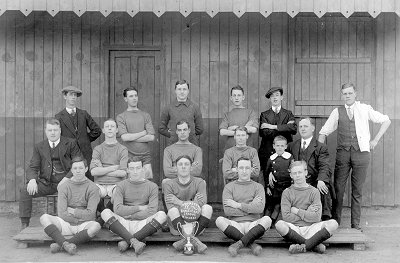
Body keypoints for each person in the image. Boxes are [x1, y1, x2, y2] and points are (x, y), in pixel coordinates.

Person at [319, 83, 391, 230]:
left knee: (357, 190)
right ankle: (335, 224)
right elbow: (324, 131)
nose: (347, 96)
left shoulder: (364, 109)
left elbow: (386, 120)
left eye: (350, 93)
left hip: (362, 154)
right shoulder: (337, 111)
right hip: (343, 155)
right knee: (338, 189)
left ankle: (355, 226)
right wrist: (319, 150)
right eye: (345, 94)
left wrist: (375, 140)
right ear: (342, 95)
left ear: (355, 94)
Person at [19, 119, 81, 230]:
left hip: (67, 183)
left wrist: (67, 178)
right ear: (45, 131)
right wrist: (32, 180)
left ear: (60, 131)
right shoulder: (39, 146)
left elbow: (79, 163)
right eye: (50, 130)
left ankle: (73, 224)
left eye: (55, 130)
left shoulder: (71, 143)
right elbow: (33, 166)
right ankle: (24, 224)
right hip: (47, 183)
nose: (53, 132)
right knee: (24, 190)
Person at [100, 158, 167, 255]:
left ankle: (128, 241)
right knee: (105, 212)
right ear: (127, 170)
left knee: (161, 215)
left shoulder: (152, 186)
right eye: (132, 168)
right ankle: (135, 241)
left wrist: (132, 216)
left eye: (138, 168)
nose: (135, 171)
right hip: (123, 224)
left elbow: (152, 211)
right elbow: (118, 209)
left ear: (143, 169)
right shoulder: (121, 185)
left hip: (143, 225)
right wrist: (139, 208)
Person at [39, 156, 101, 255]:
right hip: (66, 223)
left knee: (96, 226)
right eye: (75, 168)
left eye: (81, 168)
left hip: (84, 225)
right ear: (71, 170)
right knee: (44, 218)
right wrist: (77, 218)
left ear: (86, 169)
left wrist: (73, 211)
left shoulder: (93, 188)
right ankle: (66, 244)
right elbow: (62, 213)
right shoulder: (64, 187)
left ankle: (62, 244)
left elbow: (91, 214)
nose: (78, 171)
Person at [275, 161, 338, 254]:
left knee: (333, 224)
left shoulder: (314, 191)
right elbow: (286, 217)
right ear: (291, 175)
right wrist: (307, 213)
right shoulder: (287, 192)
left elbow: (316, 217)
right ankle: (313, 245)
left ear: (306, 173)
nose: (297, 175)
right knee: (279, 225)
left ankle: (303, 246)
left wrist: (297, 211)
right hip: (295, 229)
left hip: (312, 228)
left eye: (300, 172)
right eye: (294, 173)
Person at [216, 157, 271, 257]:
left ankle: (238, 244)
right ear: (236, 169)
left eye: (247, 168)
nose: (244, 171)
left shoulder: (258, 187)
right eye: (241, 168)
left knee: (267, 219)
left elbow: (260, 209)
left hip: (253, 224)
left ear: (251, 170)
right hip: (236, 225)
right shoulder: (229, 187)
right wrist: (251, 207)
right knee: (219, 220)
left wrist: (238, 205)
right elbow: (228, 211)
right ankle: (251, 245)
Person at [163, 155, 213, 254]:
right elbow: (171, 207)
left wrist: (179, 202)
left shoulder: (199, 182)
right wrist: (193, 202)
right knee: (173, 211)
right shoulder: (168, 184)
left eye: (186, 164)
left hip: (196, 224)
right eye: (180, 164)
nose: (183, 167)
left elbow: (202, 203)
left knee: (208, 208)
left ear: (191, 167)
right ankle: (194, 240)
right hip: (177, 225)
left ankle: (186, 240)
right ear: (175, 168)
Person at [287, 117, 333, 220]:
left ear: (312, 128)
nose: (303, 129)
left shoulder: (320, 147)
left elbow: (324, 166)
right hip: (297, 181)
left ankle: (325, 218)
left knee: (323, 187)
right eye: (301, 126)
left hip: (314, 181)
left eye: (306, 126)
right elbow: (285, 162)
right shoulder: (292, 146)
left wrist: (321, 180)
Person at [55, 86, 102, 181]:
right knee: (70, 180)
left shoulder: (83, 114)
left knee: (88, 179)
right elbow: (57, 138)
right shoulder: (59, 116)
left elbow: (97, 130)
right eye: (71, 95)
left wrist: (85, 139)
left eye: (75, 95)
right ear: (65, 97)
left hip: (85, 153)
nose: (73, 97)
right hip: (69, 155)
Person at [258, 87, 297, 185]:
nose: (275, 98)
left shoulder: (288, 114)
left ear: (281, 97)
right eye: (272, 96)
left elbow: (293, 129)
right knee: (268, 184)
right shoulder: (264, 115)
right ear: (270, 99)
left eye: (277, 95)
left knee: (285, 182)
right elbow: (264, 133)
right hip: (267, 153)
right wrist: (284, 128)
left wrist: (272, 126)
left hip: (285, 153)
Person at [116, 87, 155, 179]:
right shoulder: (121, 117)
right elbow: (125, 138)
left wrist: (131, 136)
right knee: (130, 183)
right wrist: (143, 133)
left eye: (135, 96)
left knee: (147, 182)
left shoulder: (145, 115)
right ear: (125, 99)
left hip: (145, 156)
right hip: (129, 156)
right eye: (131, 96)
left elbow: (151, 137)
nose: (134, 98)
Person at [90, 119, 128, 210]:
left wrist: (102, 168)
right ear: (103, 130)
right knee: (91, 192)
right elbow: (93, 172)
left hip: (116, 184)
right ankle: (104, 213)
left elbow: (123, 173)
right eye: (107, 127)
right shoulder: (98, 149)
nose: (110, 129)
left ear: (117, 130)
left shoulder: (122, 149)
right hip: (99, 184)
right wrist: (114, 168)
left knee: (119, 193)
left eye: (112, 126)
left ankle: (107, 213)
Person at [159, 80, 204, 146]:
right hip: (174, 145)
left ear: (188, 91)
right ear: (175, 91)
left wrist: (189, 134)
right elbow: (161, 128)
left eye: (184, 89)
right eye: (179, 89)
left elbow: (200, 129)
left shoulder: (195, 107)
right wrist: (173, 134)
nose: (182, 92)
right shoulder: (168, 107)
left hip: (191, 144)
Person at [219, 85, 258, 151]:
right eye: (234, 95)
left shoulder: (250, 112)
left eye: (239, 95)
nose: (236, 98)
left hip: (247, 150)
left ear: (243, 97)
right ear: (231, 98)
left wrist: (231, 129)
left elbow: (253, 129)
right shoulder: (228, 115)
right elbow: (222, 131)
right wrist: (244, 129)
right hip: (230, 149)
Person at [264, 135, 293, 222]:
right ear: (274, 146)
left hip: (286, 186)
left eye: (282, 146)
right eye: (277, 145)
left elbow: (293, 171)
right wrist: (268, 187)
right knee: (270, 205)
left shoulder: (289, 158)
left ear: (286, 146)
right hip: (274, 186)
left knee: (278, 205)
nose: (280, 148)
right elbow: (267, 173)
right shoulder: (271, 159)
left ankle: (273, 221)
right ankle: (265, 221)